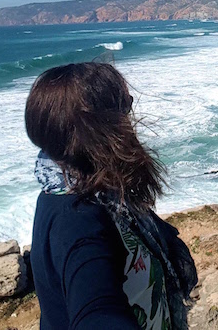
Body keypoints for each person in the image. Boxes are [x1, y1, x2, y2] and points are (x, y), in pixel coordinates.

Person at [26, 62, 197, 330]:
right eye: (125, 105)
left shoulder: (90, 189)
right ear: (98, 127)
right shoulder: (76, 219)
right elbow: (96, 309)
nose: (130, 117)